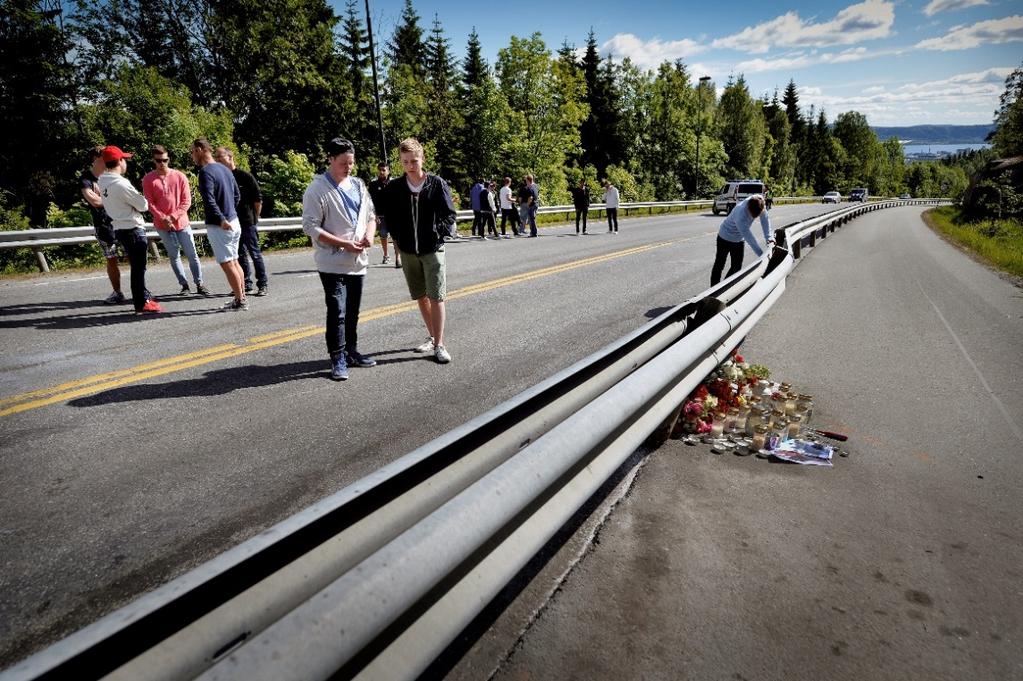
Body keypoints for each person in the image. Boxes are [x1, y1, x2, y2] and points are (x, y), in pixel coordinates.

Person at [301, 137, 378, 381]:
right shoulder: (317, 189)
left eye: (352, 163)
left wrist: (370, 236)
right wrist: (344, 243)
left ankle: (351, 351)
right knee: (337, 310)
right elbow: (310, 227)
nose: (349, 167)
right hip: (332, 262)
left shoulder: (358, 185)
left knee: (353, 310)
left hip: (358, 262)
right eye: (344, 163)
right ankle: (337, 357)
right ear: (330, 159)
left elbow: (372, 216)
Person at [378, 137, 457, 364]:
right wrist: (399, 241)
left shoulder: (436, 183)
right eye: (405, 162)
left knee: (437, 297)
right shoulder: (395, 188)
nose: (410, 165)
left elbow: (449, 214)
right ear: (400, 163)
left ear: (422, 159)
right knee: (421, 296)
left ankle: (440, 345)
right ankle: (432, 337)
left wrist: (437, 233)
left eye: (414, 160)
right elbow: (390, 217)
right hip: (408, 251)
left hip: (432, 249)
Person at [97, 146, 162, 315]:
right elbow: (143, 205)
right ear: (119, 161)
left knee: (136, 266)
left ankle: (142, 299)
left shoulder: (102, 180)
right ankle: (140, 304)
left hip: (119, 228)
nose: (126, 162)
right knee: (139, 268)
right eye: (124, 159)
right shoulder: (121, 183)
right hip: (132, 228)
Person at [142, 145, 209, 296]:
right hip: (162, 225)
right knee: (174, 256)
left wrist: (172, 216)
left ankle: (199, 283)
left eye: (165, 160)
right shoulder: (148, 179)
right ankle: (184, 285)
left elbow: (186, 201)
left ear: (168, 159)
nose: (162, 163)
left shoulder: (180, 176)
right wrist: (163, 217)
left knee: (192, 254)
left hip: (182, 223)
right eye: (159, 160)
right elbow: (149, 203)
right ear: (154, 160)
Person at [190, 137, 246, 311]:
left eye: (192, 151)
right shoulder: (225, 169)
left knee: (227, 263)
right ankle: (241, 296)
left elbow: (209, 200)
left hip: (220, 225)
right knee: (235, 261)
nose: (192, 155)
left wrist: (221, 218)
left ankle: (239, 300)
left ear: (200, 150)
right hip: (234, 221)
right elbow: (237, 195)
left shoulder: (206, 172)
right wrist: (230, 213)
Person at [214, 146, 268, 296]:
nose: (217, 160)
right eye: (216, 157)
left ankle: (262, 284)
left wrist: (254, 219)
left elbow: (258, 200)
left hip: (247, 221)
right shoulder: (221, 178)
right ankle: (246, 284)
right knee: (238, 256)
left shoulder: (245, 176)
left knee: (255, 253)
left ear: (230, 157)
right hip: (232, 223)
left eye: (220, 157)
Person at [81, 147, 125, 304]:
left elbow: (121, 195)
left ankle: (141, 290)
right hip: (104, 226)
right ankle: (117, 292)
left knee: (133, 257)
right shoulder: (86, 179)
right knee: (111, 259)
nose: (106, 161)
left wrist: (105, 200)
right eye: (102, 158)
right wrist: (112, 199)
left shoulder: (111, 174)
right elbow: (94, 201)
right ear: (94, 160)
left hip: (122, 222)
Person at [710, 194, 774, 285]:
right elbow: (750, 239)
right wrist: (762, 255)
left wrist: (769, 237)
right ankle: (713, 290)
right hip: (724, 237)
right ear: (748, 207)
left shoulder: (760, 202)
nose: (753, 218)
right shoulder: (740, 212)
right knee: (719, 265)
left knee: (736, 267)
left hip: (739, 239)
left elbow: (765, 220)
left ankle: (724, 286)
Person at [368, 163, 400, 268]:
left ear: (388, 171)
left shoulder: (395, 183)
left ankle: (398, 258)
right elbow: (370, 201)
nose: (381, 172)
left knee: (396, 237)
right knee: (383, 235)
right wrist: (374, 214)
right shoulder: (373, 184)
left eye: (384, 170)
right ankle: (386, 255)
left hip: (394, 215)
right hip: (380, 215)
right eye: (380, 170)